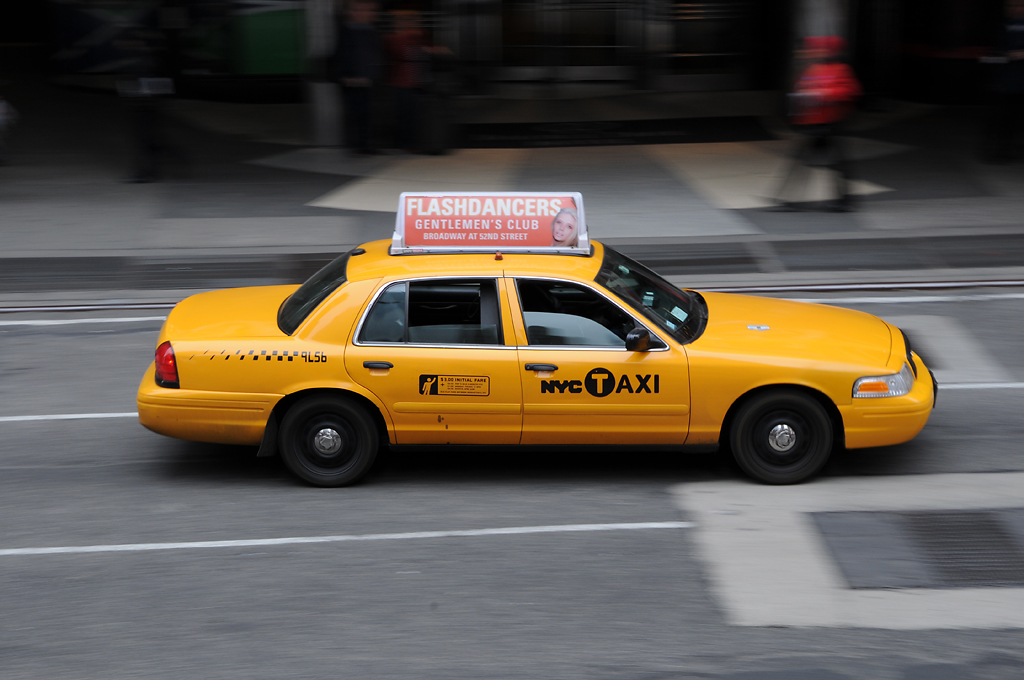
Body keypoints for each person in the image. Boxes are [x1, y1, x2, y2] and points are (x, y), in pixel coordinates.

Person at [773, 35, 862, 211]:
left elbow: (851, 91)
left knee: (825, 165)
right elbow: (801, 90)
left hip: (831, 124)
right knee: (827, 165)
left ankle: (841, 200)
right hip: (818, 125)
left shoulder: (839, 69)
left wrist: (823, 93)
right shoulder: (813, 68)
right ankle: (841, 200)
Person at [333, 0, 381, 154]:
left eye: (369, 10)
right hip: (353, 79)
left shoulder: (369, 30)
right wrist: (347, 76)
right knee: (356, 113)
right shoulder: (347, 29)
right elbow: (343, 55)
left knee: (364, 113)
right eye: (359, 10)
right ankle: (357, 145)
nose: (366, 13)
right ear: (349, 12)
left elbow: (372, 56)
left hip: (366, 78)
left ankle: (362, 144)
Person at [0, 95, 17, 165]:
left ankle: (3, 157)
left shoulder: (5, 105)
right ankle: (3, 157)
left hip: (3, 126)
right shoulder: (5, 105)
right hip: (3, 125)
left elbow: (11, 114)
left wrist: (11, 122)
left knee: (1, 142)